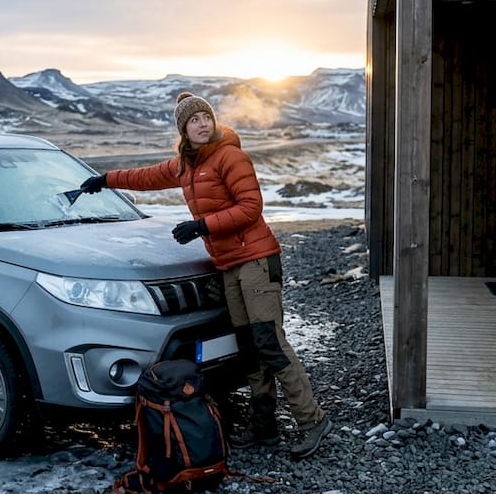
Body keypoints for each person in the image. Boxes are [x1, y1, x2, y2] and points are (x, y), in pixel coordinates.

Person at [78, 92, 330, 460]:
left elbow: (251, 207)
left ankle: (312, 420)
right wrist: (105, 179)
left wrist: (201, 226)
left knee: (270, 344)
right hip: (228, 264)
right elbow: (147, 176)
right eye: (193, 120)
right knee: (248, 349)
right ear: (183, 129)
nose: (202, 124)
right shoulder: (185, 164)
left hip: (257, 259)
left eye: (206, 117)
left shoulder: (230, 156)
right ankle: (264, 428)